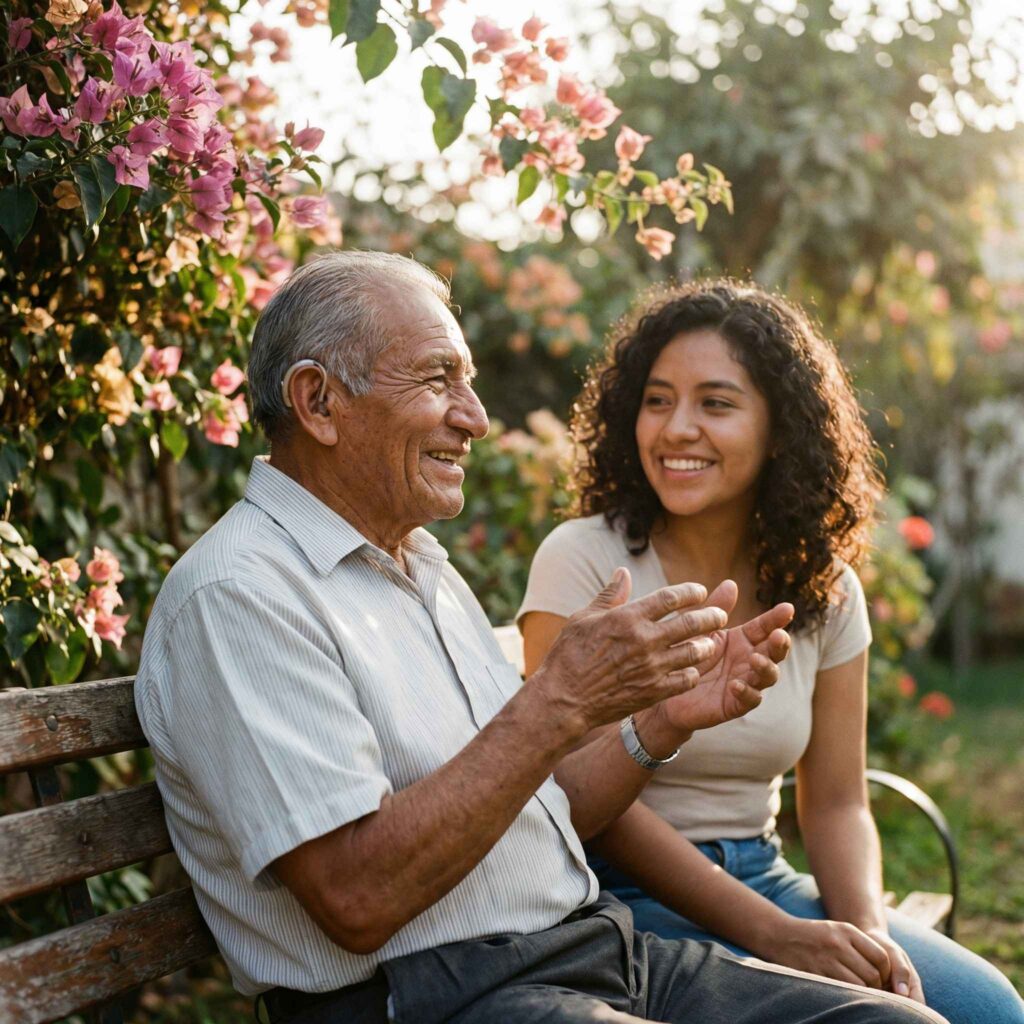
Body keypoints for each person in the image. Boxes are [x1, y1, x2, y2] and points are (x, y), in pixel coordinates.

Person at [135, 252, 948, 1024]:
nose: (476, 419)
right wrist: (559, 701)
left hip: (592, 953)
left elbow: (550, 806)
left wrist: (657, 723)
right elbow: (357, 897)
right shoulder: (241, 596)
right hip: (433, 998)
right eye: (438, 380)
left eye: (471, 383)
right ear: (317, 403)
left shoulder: (415, 568)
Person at [519, 279, 1024, 1024]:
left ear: (780, 428)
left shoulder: (826, 586)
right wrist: (773, 935)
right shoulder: (585, 562)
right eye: (657, 401)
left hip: (766, 873)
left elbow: (840, 801)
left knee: (987, 1010)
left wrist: (869, 938)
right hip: (614, 895)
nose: (675, 428)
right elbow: (575, 797)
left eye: (715, 404)